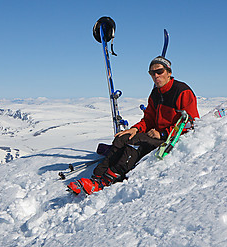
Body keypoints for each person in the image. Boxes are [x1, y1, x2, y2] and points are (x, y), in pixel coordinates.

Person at [68, 56, 200, 195]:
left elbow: (189, 123)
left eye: (159, 71)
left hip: (170, 139)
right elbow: (148, 118)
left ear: (168, 72)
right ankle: (95, 178)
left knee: (135, 142)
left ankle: (105, 181)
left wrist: (162, 133)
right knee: (122, 138)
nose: (156, 76)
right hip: (154, 134)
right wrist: (135, 128)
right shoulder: (156, 93)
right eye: (152, 73)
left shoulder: (182, 91)